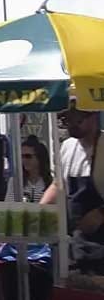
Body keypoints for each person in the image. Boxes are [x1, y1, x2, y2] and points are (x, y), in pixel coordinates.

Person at [42, 103, 104, 272]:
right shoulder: (68, 146)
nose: (70, 125)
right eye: (66, 120)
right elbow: (58, 184)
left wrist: (100, 213)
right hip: (76, 239)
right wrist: (39, 213)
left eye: (76, 120)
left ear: (93, 116)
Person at [17, 136, 52, 203]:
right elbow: (9, 204)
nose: (23, 160)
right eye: (21, 156)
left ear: (39, 157)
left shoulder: (50, 182)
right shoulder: (15, 182)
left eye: (28, 156)